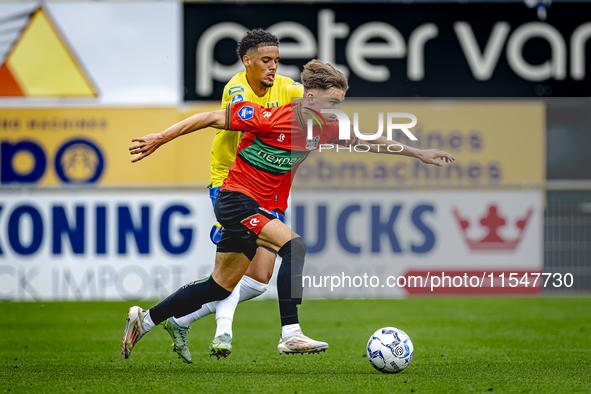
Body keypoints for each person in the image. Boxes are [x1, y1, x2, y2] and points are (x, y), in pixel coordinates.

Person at [123, 59, 455, 361]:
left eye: (339, 104)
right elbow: (210, 117)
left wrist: (418, 152)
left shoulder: (325, 126)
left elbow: (366, 139)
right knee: (294, 246)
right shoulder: (271, 117)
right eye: (332, 103)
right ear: (310, 97)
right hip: (236, 200)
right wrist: (161, 138)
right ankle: (290, 334)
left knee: (219, 287)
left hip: (258, 207)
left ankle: (146, 320)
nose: (335, 110)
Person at [159, 29, 305, 363]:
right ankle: (225, 332)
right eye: (265, 60)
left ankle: (181, 320)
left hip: (265, 186)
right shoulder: (236, 88)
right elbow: (238, 119)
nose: (272, 67)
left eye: (276, 61)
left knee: (259, 279)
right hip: (231, 184)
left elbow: (311, 95)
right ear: (247, 61)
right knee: (256, 258)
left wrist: (323, 93)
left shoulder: (286, 87)